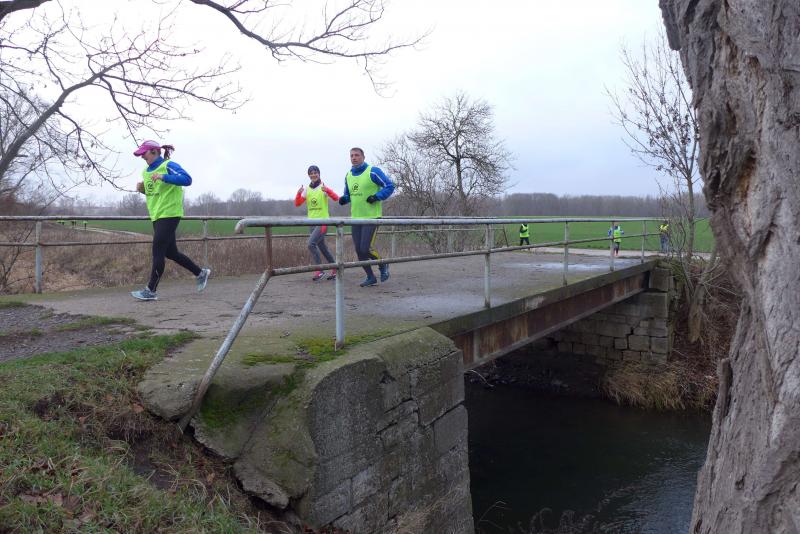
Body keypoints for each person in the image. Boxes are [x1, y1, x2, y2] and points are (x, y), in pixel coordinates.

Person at [130, 140, 210, 301]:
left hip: (170, 213)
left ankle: (151, 290)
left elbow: (187, 179)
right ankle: (200, 273)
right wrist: (143, 190)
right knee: (171, 252)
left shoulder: (168, 165)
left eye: (144, 153)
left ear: (154, 151)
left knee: (158, 249)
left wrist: (164, 176)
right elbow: (155, 192)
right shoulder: (145, 172)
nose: (142, 157)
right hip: (156, 215)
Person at [338, 147, 395, 287]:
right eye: (351, 155)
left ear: (363, 157)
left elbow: (390, 186)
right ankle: (370, 277)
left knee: (365, 248)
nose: (354, 158)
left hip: (372, 217)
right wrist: (344, 199)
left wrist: (377, 196)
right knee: (359, 251)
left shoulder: (373, 171)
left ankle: (383, 264)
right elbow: (348, 195)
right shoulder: (348, 175)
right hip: (356, 218)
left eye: (357, 155)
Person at [295, 165, 339, 281]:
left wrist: (328, 191)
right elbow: (297, 203)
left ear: (319, 174)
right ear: (309, 175)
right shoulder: (307, 189)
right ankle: (336, 268)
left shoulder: (323, 187)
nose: (313, 175)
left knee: (311, 244)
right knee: (322, 247)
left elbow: (336, 198)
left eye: (315, 173)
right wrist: (298, 193)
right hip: (312, 223)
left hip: (323, 222)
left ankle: (320, 270)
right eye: (311, 173)